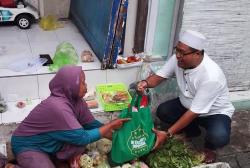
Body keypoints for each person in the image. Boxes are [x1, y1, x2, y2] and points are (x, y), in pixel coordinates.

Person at [137, 30, 235, 163]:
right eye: (176, 50)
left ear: (197, 54)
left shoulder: (211, 76)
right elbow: (159, 77)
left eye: (182, 52)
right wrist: (145, 83)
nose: (177, 55)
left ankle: (209, 148)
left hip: (214, 113)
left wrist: (167, 133)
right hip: (187, 105)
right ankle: (192, 131)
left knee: (218, 136)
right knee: (163, 111)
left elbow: (194, 112)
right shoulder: (178, 59)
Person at [6, 66, 130, 168]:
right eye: (82, 83)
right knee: (82, 140)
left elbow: (91, 124)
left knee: (80, 144)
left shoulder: (77, 101)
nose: (86, 86)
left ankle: (54, 159)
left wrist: (122, 139)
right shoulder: (58, 107)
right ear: (70, 85)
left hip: (51, 143)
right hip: (29, 146)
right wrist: (111, 125)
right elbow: (82, 137)